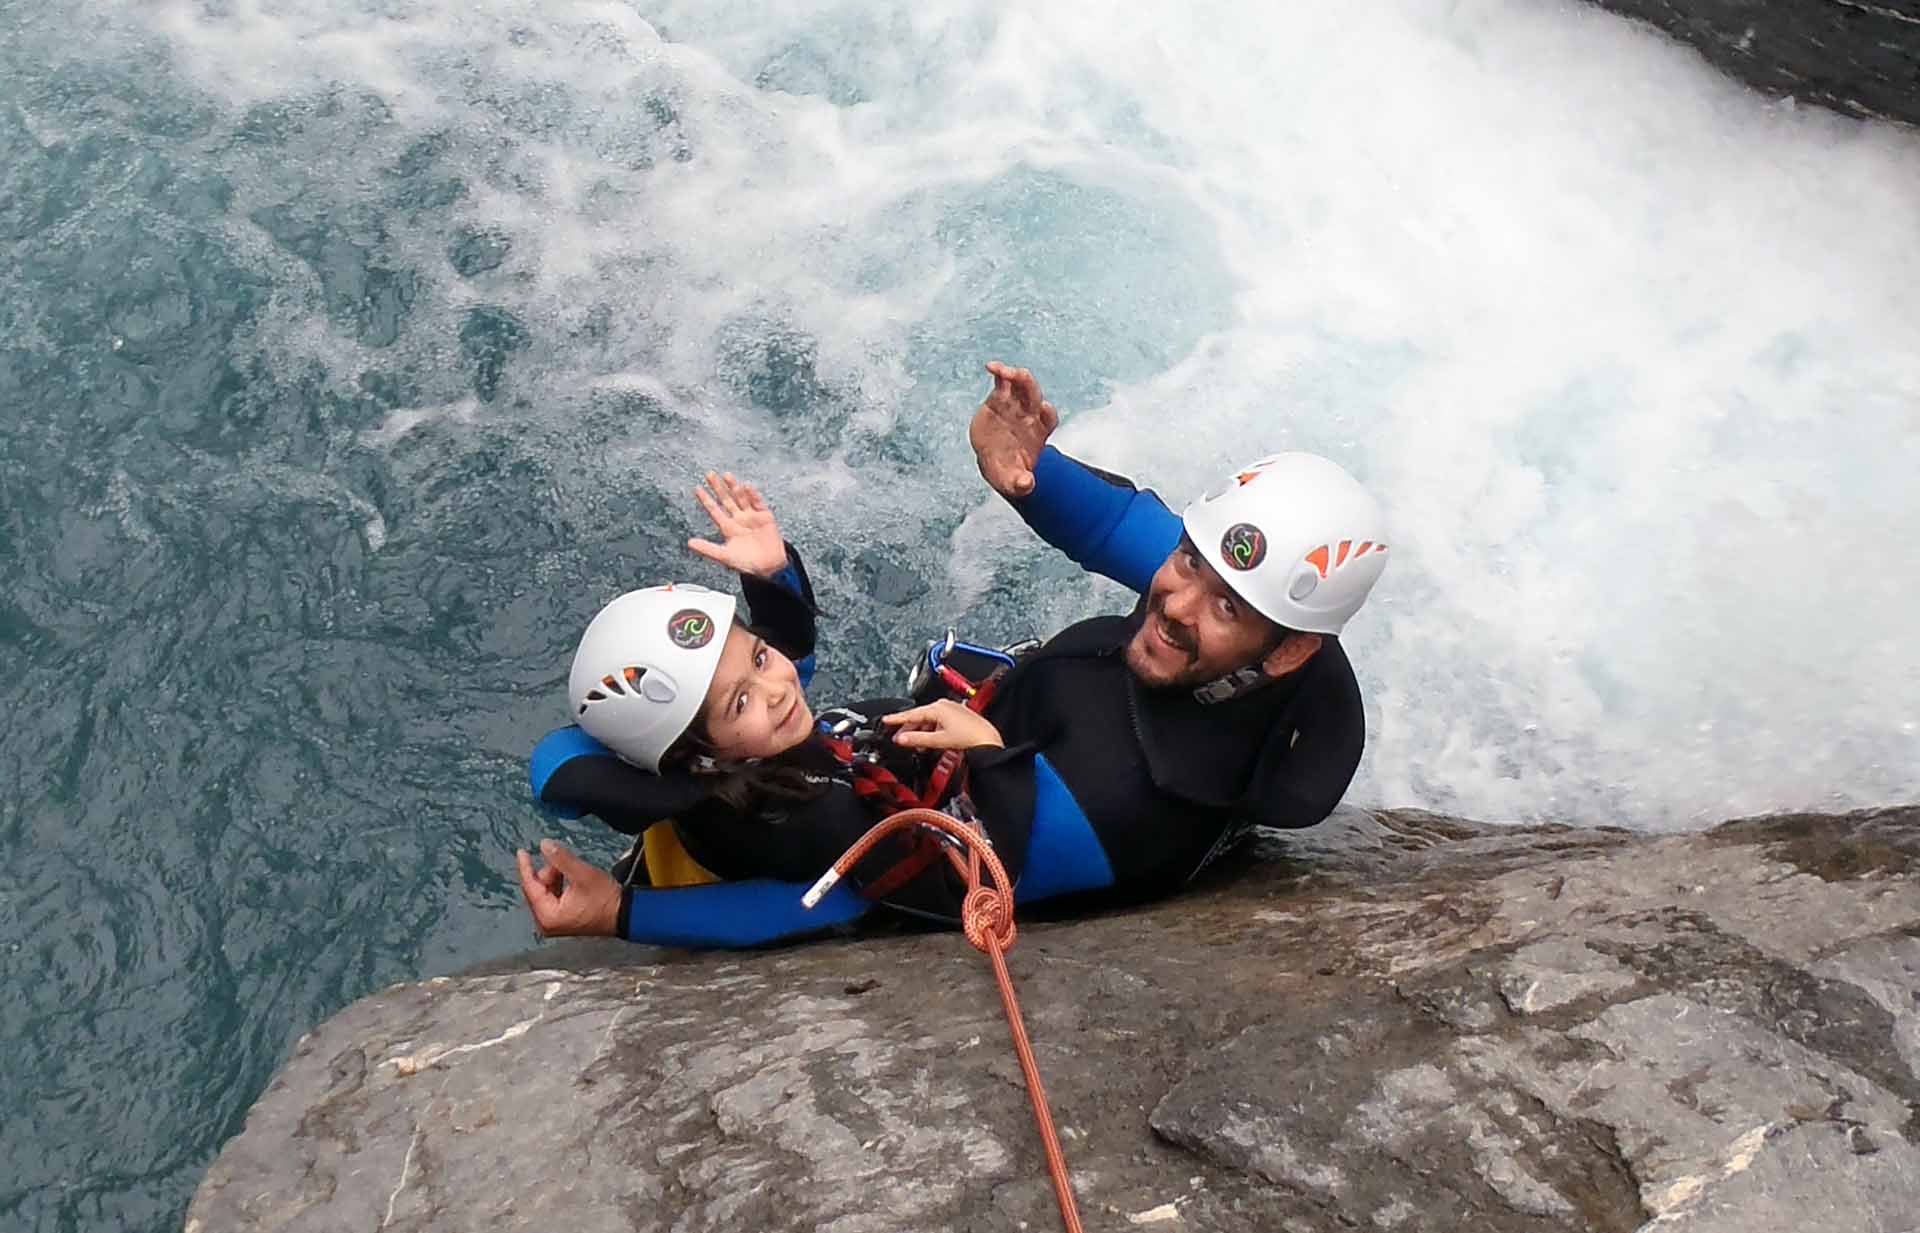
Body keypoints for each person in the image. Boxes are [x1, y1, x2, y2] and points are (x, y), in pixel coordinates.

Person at [518, 363, 1387, 943]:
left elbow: (840, 888)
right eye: (1189, 558)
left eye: (1222, 605)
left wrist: (632, 900)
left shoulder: (1119, 805)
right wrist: (1030, 473)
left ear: (1284, 648)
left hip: (924, 826)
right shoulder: (1258, 631)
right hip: (967, 751)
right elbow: (1129, 527)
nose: (1173, 599)